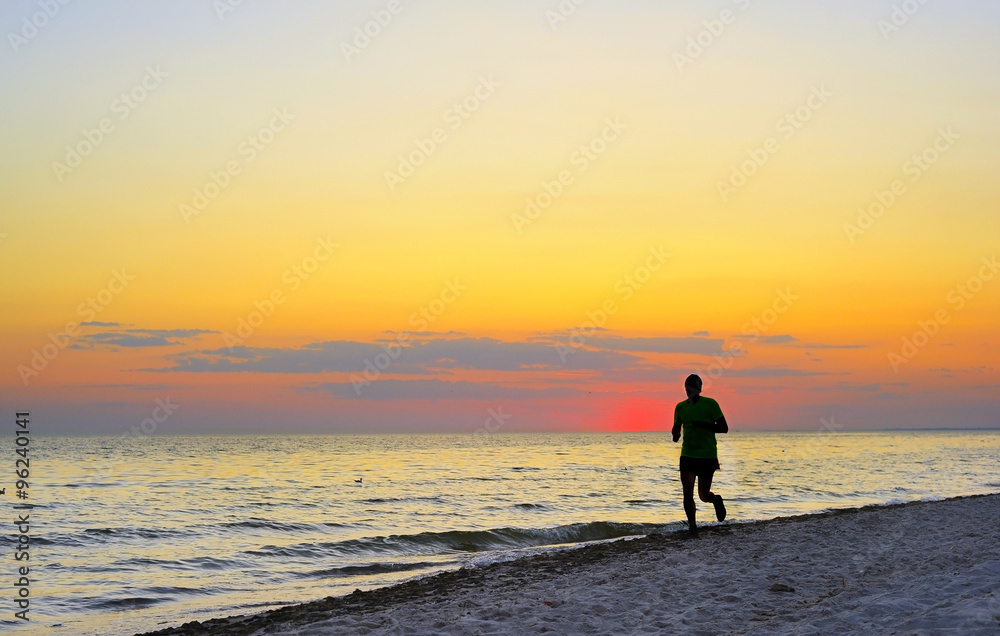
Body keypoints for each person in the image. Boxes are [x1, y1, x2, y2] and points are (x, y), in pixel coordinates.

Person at [672, 374, 728, 535]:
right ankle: (692, 526)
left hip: (707, 456)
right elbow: (676, 427)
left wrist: (704, 425)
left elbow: (724, 428)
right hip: (687, 455)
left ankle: (716, 500)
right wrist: (675, 434)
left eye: (693, 389)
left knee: (703, 495)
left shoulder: (710, 404)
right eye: (687, 389)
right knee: (687, 493)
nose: (689, 392)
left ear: (699, 390)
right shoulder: (680, 407)